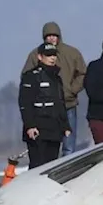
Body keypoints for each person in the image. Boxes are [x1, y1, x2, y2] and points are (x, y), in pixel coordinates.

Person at [21, 22, 87, 156]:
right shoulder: (35, 54)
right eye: (48, 36)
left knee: (69, 146)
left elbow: (83, 74)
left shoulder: (72, 53)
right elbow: (26, 78)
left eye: (54, 35)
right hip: (44, 110)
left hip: (68, 104)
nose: (51, 38)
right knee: (47, 148)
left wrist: (71, 90)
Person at [19, 43, 69, 168]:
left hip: (55, 129)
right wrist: (30, 126)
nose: (52, 58)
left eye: (54, 55)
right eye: (48, 55)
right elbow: (25, 103)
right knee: (37, 166)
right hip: (38, 129)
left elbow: (60, 103)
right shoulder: (30, 76)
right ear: (40, 57)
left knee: (51, 167)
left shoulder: (57, 78)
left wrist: (65, 125)